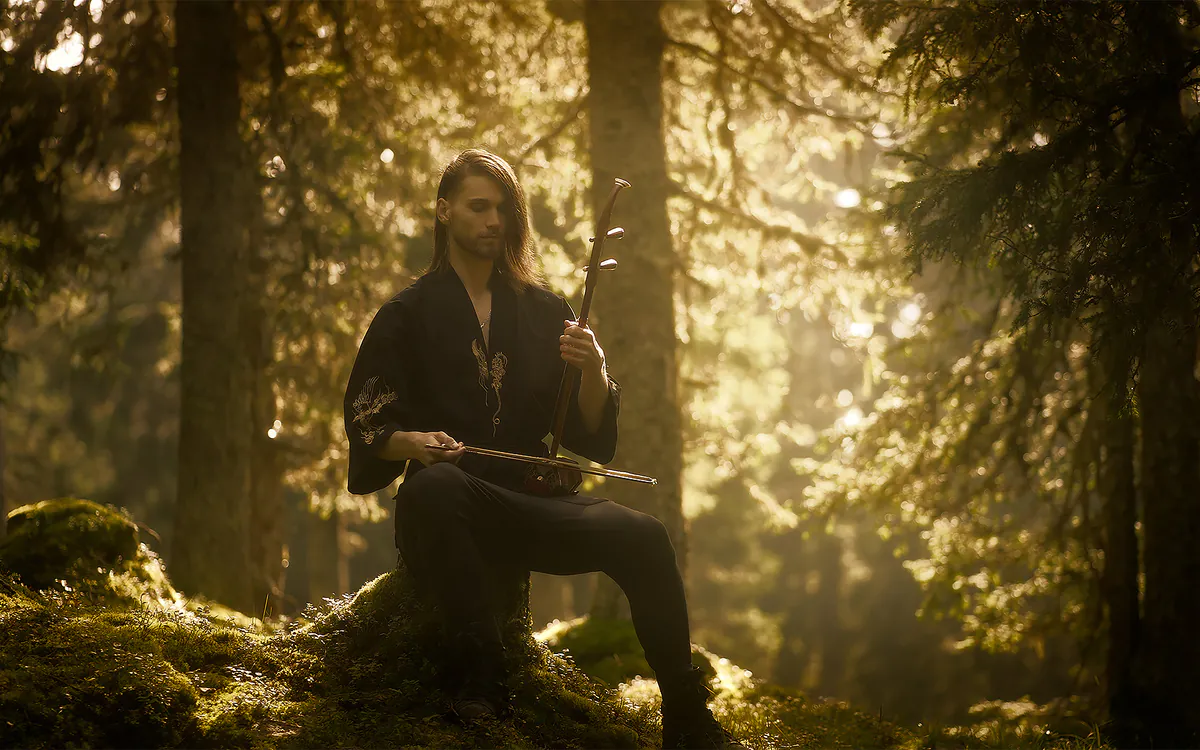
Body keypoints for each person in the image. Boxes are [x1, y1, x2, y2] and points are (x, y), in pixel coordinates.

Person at [343, 148, 746, 749]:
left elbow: (587, 435)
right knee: (433, 487)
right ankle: (480, 673)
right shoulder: (407, 312)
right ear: (444, 210)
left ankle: (685, 709)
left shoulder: (545, 309)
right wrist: (415, 443)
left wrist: (593, 373)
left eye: (504, 209)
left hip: (533, 502)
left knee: (645, 536)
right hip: (453, 508)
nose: (493, 221)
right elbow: (368, 416)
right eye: (478, 207)